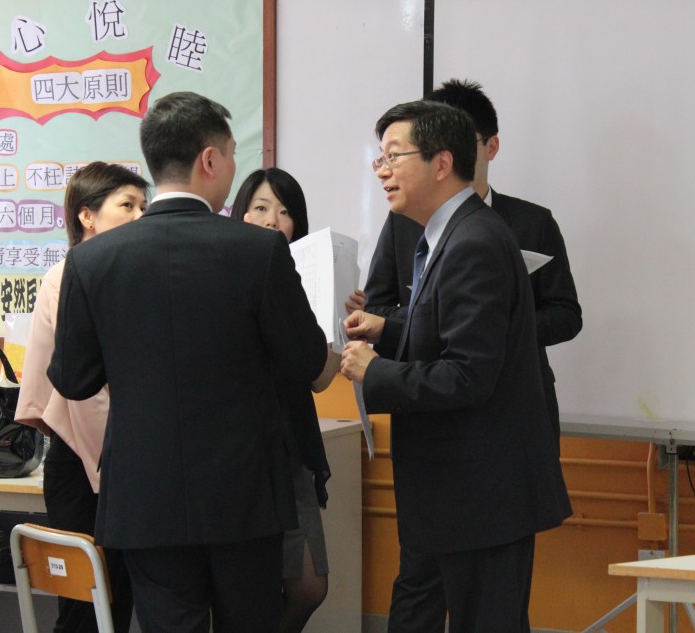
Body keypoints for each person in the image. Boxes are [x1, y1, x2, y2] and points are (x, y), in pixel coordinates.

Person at [47, 91, 328, 633]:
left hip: (143, 499)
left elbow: (73, 380)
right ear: (210, 160)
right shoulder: (259, 251)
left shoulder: (91, 260)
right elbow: (308, 360)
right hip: (245, 498)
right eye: (232, 154)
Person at [340, 100, 572, 632]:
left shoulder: (473, 242)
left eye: (394, 156)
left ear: (442, 162)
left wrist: (376, 371)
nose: (382, 171)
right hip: (465, 492)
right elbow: (451, 331)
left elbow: (468, 374)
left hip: (481, 493)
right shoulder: (451, 233)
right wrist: (387, 329)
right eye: (379, 158)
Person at [16, 161, 149, 633]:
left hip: (117, 458)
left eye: (144, 206)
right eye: (127, 205)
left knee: (117, 599)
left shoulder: (129, 274)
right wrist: (115, 469)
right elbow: (85, 392)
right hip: (84, 459)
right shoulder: (67, 275)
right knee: (86, 604)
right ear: (87, 216)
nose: (140, 216)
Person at [229, 168, 362, 633]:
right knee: (255, 590)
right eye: (261, 207)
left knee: (309, 586)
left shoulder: (299, 281)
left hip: (291, 445)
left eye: (284, 212)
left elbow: (320, 379)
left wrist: (344, 323)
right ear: (240, 213)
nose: (272, 220)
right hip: (243, 453)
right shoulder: (222, 274)